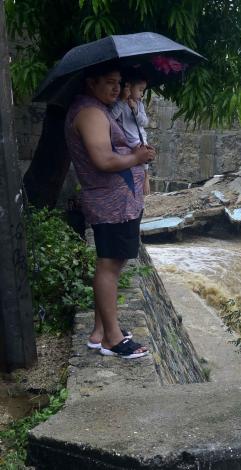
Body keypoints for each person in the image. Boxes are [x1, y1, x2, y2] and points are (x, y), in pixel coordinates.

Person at [66, 61, 154, 358]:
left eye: (119, 82)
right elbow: (103, 160)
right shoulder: (90, 113)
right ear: (91, 82)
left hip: (118, 201)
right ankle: (112, 340)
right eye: (109, 82)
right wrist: (137, 157)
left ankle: (100, 330)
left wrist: (134, 155)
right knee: (110, 265)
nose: (117, 88)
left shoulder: (96, 108)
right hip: (112, 203)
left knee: (111, 264)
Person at [110, 69, 152, 195]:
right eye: (140, 90)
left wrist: (136, 111)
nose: (142, 94)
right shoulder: (119, 102)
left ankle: (146, 177)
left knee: (146, 154)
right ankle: (143, 179)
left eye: (143, 91)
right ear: (128, 87)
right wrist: (123, 101)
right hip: (127, 140)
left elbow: (144, 122)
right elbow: (111, 117)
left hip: (139, 139)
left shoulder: (139, 105)